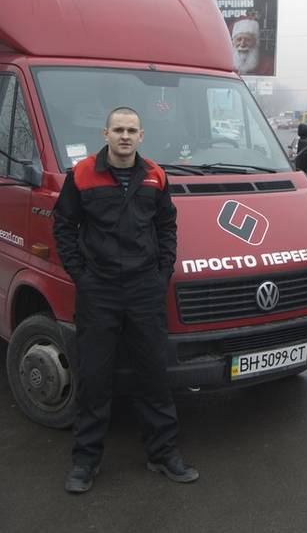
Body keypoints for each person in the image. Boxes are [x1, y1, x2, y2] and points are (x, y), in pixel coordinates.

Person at [53, 107, 198, 493]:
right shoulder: (82, 174)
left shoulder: (155, 175)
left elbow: (166, 225)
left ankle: (163, 454)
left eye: (131, 130)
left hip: (144, 290)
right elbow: (63, 226)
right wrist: (81, 276)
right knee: (94, 378)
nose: (124, 136)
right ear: (105, 134)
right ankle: (85, 461)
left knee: (153, 375)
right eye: (118, 129)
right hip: (99, 291)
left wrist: (162, 272)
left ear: (141, 135)